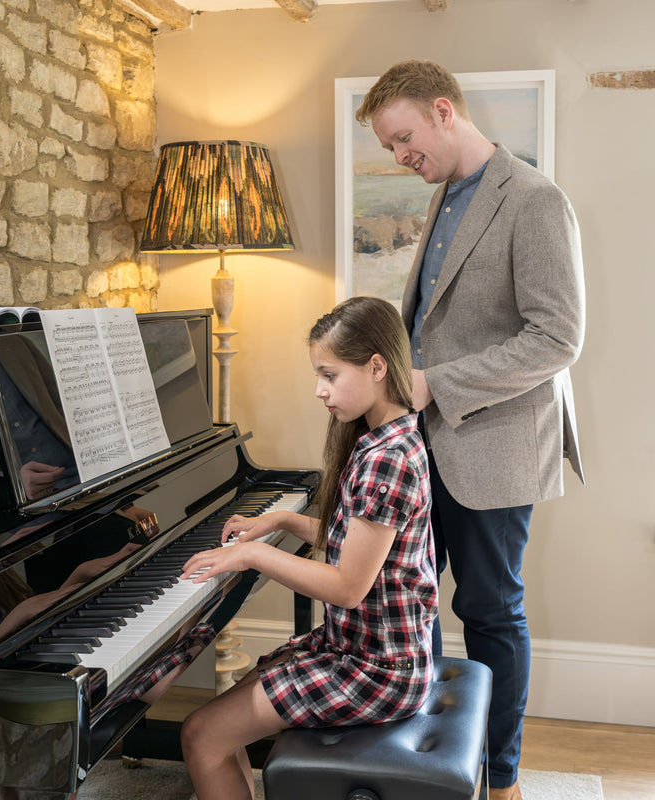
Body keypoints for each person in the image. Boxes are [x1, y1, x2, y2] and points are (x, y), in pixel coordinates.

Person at [355, 60, 586, 800]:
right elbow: (438, 320)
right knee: (409, 599)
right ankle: (428, 764)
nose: (400, 157)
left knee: (489, 611)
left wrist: (433, 384)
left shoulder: (536, 200)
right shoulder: (447, 196)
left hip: (494, 444)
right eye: (390, 147)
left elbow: (558, 338)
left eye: (404, 139)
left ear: (444, 111)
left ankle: (503, 778)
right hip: (424, 442)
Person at [178, 296, 438, 800]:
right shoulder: (391, 438)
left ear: (377, 367)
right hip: (368, 653)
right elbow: (356, 541)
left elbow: (346, 587)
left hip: (377, 671)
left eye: (329, 375)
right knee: (224, 717)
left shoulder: (387, 460)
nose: (319, 391)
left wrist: (252, 554)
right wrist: (278, 520)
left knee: (201, 734)